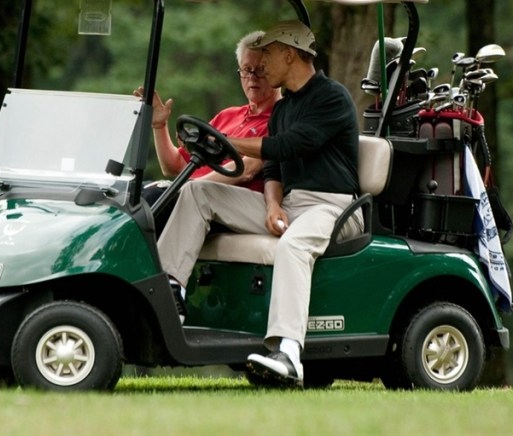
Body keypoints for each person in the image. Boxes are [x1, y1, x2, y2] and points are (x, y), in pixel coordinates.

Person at [157, 20, 363, 386]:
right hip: (294, 204)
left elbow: (288, 146)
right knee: (197, 192)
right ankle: (170, 290)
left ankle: (288, 353)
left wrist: (226, 141)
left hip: (334, 207)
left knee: (294, 245)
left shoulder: (331, 97)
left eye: (266, 56)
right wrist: (272, 205)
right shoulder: (285, 109)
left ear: (289, 54)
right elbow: (274, 168)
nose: (262, 65)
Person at [135, 30, 280, 235]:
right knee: (129, 195)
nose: (252, 78)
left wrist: (186, 187)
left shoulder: (281, 118)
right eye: (247, 70)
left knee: (154, 199)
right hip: (194, 192)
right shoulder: (229, 115)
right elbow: (174, 166)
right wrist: (159, 126)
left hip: (228, 203)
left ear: (276, 71)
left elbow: (246, 170)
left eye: (261, 70)